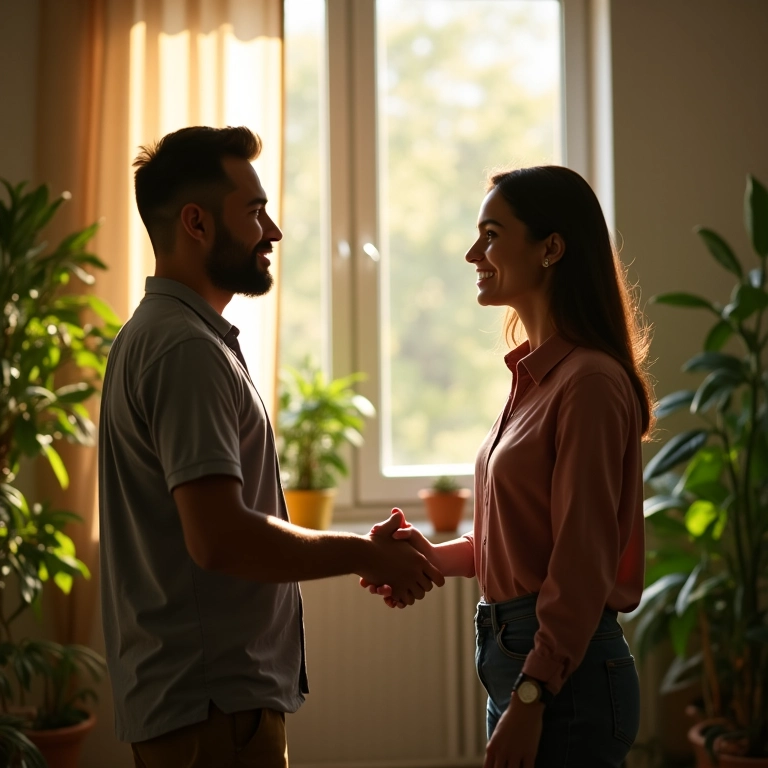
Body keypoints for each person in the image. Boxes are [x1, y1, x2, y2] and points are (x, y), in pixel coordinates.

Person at [98, 125, 444, 768]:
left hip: (203, 705)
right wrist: (364, 554)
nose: (273, 231)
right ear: (197, 223)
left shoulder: (162, 336)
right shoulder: (184, 349)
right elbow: (220, 538)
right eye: (255, 211)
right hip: (212, 709)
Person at [363, 165, 652, 768]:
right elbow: (523, 542)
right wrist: (430, 556)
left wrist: (532, 693)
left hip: (558, 676)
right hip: (523, 665)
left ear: (551, 248)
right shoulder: (536, 377)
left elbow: (580, 561)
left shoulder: (589, 382)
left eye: (491, 235)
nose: (474, 254)